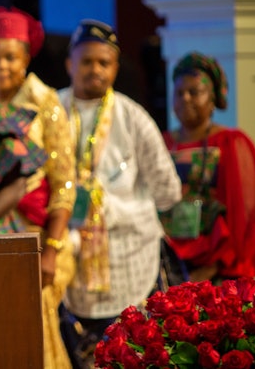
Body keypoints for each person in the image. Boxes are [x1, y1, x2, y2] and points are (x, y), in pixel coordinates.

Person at [58, 19, 181, 369]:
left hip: (131, 254)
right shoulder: (50, 110)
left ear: (115, 66)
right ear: (70, 64)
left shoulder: (133, 117)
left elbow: (168, 191)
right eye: (86, 61)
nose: (95, 70)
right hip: (70, 257)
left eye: (104, 62)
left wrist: (115, 208)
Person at [0, 7, 77, 369]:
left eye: (11, 57)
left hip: (38, 239)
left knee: (37, 332)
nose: (2, 65)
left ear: (25, 60)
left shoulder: (45, 103)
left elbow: (64, 183)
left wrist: (50, 250)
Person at [161, 52, 255, 283]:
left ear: (213, 98)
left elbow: (245, 212)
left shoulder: (231, 142)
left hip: (216, 266)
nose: (185, 99)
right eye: (179, 93)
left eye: (194, 92)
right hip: (169, 260)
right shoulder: (162, 141)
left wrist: (216, 266)